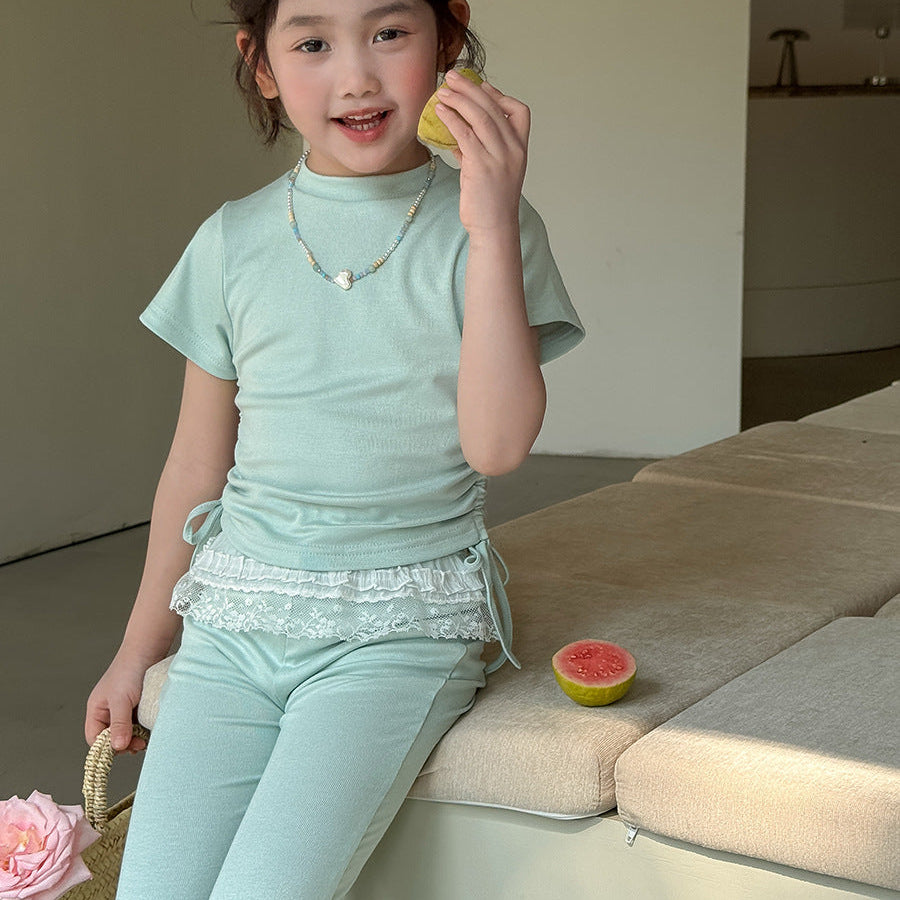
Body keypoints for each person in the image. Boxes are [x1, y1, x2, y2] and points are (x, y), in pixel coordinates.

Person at [85, 0, 584, 896]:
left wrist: (492, 226)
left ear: (449, 37)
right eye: (313, 42)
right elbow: (196, 465)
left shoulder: (492, 229)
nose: (356, 76)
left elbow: (500, 445)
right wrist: (137, 651)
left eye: (389, 33)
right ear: (262, 64)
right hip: (232, 625)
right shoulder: (232, 238)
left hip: (399, 631)